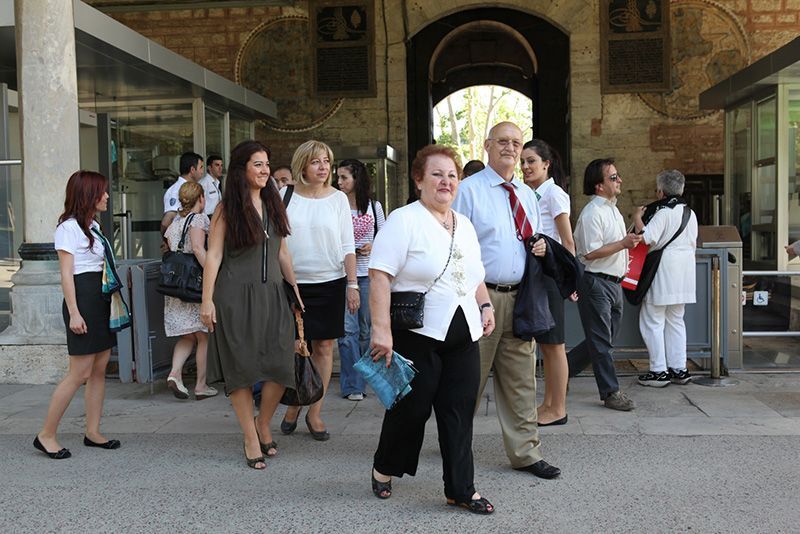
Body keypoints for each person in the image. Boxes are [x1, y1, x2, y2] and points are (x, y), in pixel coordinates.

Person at [369, 144, 496, 514]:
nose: (446, 181)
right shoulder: (404, 220)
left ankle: (461, 489)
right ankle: (384, 467)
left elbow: (475, 276)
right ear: (419, 179)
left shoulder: (465, 225)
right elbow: (379, 275)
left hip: (464, 335)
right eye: (437, 174)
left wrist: (485, 305)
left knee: (458, 411)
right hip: (416, 333)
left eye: (452, 175)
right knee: (411, 410)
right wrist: (381, 330)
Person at [452, 121, 560, 480]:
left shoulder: (527, 194)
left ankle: (526, 453)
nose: (511, 148)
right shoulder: (467, 190)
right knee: (470, 378)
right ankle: (455, 446)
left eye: (516, 142)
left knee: (522, 381)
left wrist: (541, 246)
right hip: (480, 299)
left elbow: (526, 238)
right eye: (503, 141)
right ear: (487, 145)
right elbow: (454, 247)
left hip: (520, 297)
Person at [200, 140, 303, 470]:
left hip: (273, 294)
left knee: (281, 364)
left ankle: (263, 422)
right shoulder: (226, 210)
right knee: (241, 369)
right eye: (257, 164)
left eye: (266, 164)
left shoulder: (275, 205)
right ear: (242, 169)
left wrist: (296, 291)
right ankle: (249, 435)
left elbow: (283, 253)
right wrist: (206, 302)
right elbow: (213, 256)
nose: (264, 170)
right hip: (233, 297)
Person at [34, 171, 122, 459]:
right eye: (102, 191)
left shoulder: (92, 226)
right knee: (79, 373)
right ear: (88, 195)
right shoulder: (68, 228)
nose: (107, 196)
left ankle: (93, 431)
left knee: (99, 369)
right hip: (82, 298)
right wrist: (74, 312)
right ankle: (46, 434)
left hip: (99, 298)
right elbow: (66, 274)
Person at [280, 140, 357, 441]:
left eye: (326, 161)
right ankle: (294, 403)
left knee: (324, 348)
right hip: (292, 282)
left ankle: (314, 411)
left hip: (330, 282)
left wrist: (352, 284)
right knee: (294, 348)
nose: (324, 167)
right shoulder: (284, 195)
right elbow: (275, 242)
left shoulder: (338, 199)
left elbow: (348, 245)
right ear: (302, 166)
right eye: (316, 162)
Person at [567, 158, 642, 410]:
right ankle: (610, 392)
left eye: (617, 176)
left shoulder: (612, 209)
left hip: (613, 282)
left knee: (602, 339)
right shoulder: (592, 213)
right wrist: (623, 244)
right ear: (599, 186)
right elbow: (589, 253)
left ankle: (562, 368)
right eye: (613, 177)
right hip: (596, 282)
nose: (619, 180)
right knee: (601, 342)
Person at [521, 139, 575, 426]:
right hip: (537, 274)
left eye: (531, 161)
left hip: (551, 274)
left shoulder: (554, 194)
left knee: (554, 345)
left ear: (546, 164)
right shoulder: (531, 193)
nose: (526, 167)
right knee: (545, 344)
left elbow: (567, 241)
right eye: (523, 162)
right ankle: (549, 403)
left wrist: (570, 280)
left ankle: (559, 408)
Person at [632, 170, 698, 387]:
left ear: (660, 191)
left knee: (652, 321)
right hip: (684, 275)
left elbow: (646, 239)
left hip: (662, 273)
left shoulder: (663, 212)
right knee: (676, 321)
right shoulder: (691, 213)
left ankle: (658, 370)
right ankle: (679, 368)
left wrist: (637, 218)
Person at [336, 158, 386, 401]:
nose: (339, 182)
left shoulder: (374, 206)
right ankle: (352, 384)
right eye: (338, 177)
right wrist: (348, 251)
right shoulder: (335, 205)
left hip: (368, 274)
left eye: (344, 177)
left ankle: (365, 376)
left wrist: (372, 245)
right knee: (347, 331)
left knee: (366, 330)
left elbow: (386, 240)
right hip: (343, 275)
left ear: (357, 178)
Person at [163, 182, 217, 400]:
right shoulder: (198, 219)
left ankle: (175, 374)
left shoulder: (175, 222)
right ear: (201, 199)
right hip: (194, 285)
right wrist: (212, 272)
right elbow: (197, 248)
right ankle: (201, 386)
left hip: (175, 287)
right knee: (202, 337)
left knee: (187, 336)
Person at [162, 152, 204, 236]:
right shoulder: (176, 190)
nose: (202, 171)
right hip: (182, 245)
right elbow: (167, 221)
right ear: (192, 170)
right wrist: (168, 242)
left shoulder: (193, 188)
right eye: (201, 167)